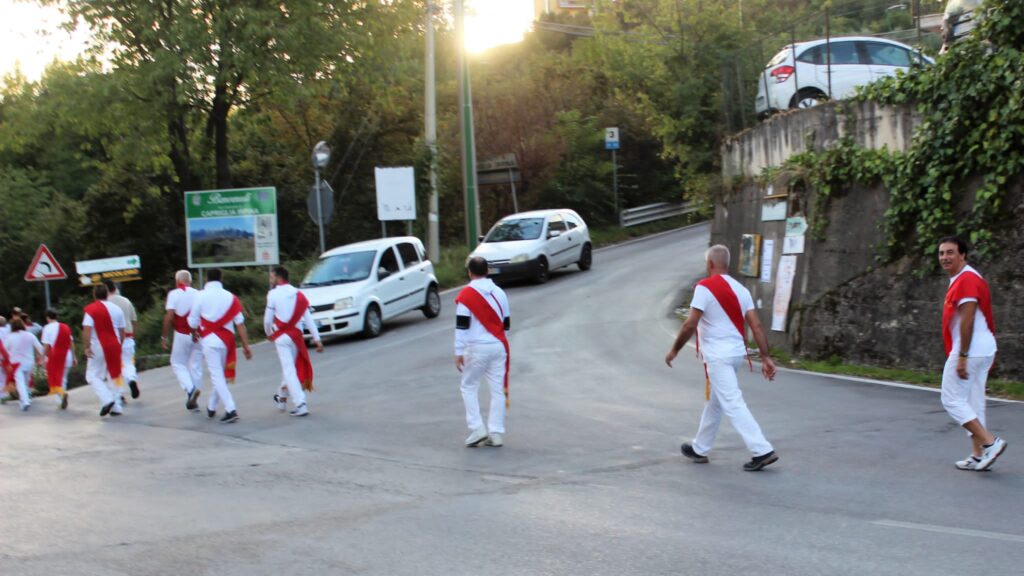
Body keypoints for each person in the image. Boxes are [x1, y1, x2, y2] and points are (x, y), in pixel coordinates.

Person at [665, 244, 779, 471]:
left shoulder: (704, 288)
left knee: (732, 402)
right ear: (727, 264)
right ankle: (700, 448)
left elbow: (690, 324)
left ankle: (762, 450)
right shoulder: (742, 290)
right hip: (736, 354)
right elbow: (755, 325)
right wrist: (765, 356)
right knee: (715, 402)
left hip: (718, 357)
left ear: (709, 264)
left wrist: (675, 349)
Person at [937, 236, 1006, 471]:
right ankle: (978, 455)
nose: (945, 257)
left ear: (962, 255)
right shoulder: (964, 278)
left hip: (971, 349)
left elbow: (968, 319)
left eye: (950, 252)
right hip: (982, 348)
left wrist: (963, 355)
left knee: (951, 398)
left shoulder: (966, 279)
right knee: (973, 402)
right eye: (941, 253)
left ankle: (990, 443)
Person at [454, 256, 511, 448]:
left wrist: (458, 351)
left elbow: (462, 326)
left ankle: (477, 427)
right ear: (487, 271)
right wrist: (503, 343)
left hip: (476, 347)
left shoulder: (466, 295)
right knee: (497, 390)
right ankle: (496, 433)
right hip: (498, 345)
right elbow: (506, 323)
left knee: (469, 386)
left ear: (470, 272)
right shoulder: (500, 293)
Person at [188, 268, 253, 423]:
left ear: (207, 279)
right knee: (221, 376)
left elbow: (192, 321)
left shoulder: (200, 295)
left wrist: (194, 333)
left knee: (217, 376)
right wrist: (246, 346)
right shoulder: (231, 297)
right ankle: (211, 406)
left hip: (209, 340)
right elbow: (240, 324)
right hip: (227, 340)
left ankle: (231, 409)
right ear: (221, 278)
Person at [264, 266, 323, 417]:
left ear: (278, 277)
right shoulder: (298, 294)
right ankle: (281, 398)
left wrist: (269, 333)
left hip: (281, 337)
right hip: (296, 337)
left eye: (272, 276)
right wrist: (317, 338)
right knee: (288, 369)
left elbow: (267, 320)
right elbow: (308, 319)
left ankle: (300, 403)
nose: (270, 279)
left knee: (289, 370)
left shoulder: (273, 294)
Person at [161, 270, 204, 411]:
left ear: (177, 281)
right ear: (190, 281)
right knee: (195, 365)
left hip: (181, 334)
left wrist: (164, 336)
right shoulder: (198, 293)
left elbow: (169, 317)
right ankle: (194, 398)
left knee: (177, 363)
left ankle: (190, 390)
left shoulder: (173, 294)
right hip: (198, 334)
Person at [82, 284, 127, 417]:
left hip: (98, 345)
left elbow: (87, 329)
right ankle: (117, 407)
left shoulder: (91, 309)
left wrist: (87, 347)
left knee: (92, 375)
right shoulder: (117, 309)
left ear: (94, 295)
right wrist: (120, 344)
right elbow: (122, 331)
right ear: (107, 294)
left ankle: (107, 400)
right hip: (115, 343)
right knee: (114, 374)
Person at [104, 279, 140, 399]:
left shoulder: (104, 304)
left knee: (114, 367)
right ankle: (131, 380)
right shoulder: (126, 301)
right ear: (115, 288)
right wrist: (133, 336)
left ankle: (118, 393)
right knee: (128, 363)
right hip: (128, 337)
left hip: (111, 339)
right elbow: (134, 321)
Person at [5, 317, 44, 411]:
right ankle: (26, 399)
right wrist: (44, 358)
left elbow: (4, 351)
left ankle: (25, 401)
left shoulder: (9, 337)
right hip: (29, 362)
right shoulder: (29, 335)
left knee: (20, 382)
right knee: (26, 382)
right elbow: (40, 348)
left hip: (16, 363)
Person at [41, 309, 76, 410]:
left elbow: (46, 345)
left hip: (55, 356)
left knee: (56, 380)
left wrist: (43, 358)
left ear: (47, 318)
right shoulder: (65, 327)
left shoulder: (47, 328)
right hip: (67, 356)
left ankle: (61, 397)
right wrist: (74, 357)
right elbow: (71, 343)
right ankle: (62, 396)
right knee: (63, 379)